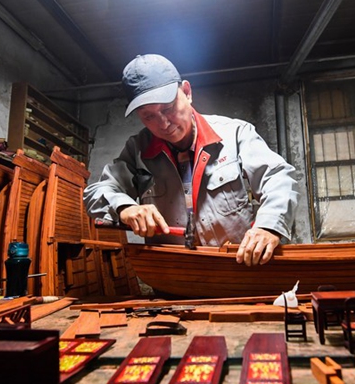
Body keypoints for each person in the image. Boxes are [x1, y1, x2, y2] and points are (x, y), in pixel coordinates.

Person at [84, 54, 299, 266]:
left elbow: (278, 177)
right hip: (173, 277)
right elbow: (96, 191)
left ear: (187, 92)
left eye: (167, 108)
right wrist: (124, 208)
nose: (164, 123)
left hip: (236, 269)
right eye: (148, 116)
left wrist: (268, 226)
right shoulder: (137, 150)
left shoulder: (235, 134)